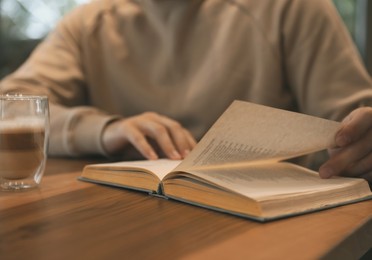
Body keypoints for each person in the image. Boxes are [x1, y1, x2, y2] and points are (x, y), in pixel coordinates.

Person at [0, 0, 372, 182]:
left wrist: (361, 138)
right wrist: (105, 129)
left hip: (272, 226)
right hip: (129, 218)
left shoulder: (291, 7)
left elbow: (354, 122)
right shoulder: (89, 22)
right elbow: (10, 102)